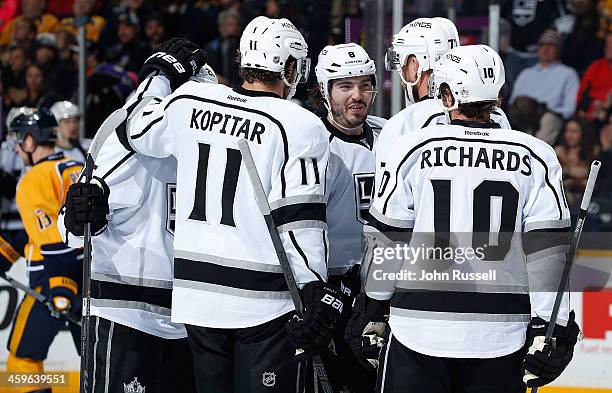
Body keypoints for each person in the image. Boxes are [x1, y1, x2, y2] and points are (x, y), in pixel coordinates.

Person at [114, 17, 343, 392]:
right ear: (288, 67)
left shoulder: (189, 101)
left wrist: (158, 73)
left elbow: (135, 128)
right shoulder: (298, 124)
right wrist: (315, 289)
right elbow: (299, 219)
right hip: (263, 303)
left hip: (196, 300)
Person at [348, 44, 580, 393]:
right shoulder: (536, 155)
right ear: (497, 95)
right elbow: (548, 253)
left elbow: (389, 240)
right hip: (502, 334)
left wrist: (373, 308)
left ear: (447, 96)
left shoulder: (413, 148)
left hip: (418, 329)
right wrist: (552, 327)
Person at [59, 55, 218, 393]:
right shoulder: (126, 140)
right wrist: (80, 218)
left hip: (194, 319)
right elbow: (73, 224)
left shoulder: (221, 151)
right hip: (126, 312)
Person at [309, 42, 385, 392]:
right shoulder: (310, 143)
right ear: (324, 91)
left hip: (384, 291)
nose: (358, 95)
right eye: (345, 86)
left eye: (365, 84)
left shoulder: (392, 136)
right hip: (330, 293)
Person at [377, 18, 511, 198]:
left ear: (415, 63)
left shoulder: (403, 124)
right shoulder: (495, 115)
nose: (401, 75)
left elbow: (388, 208)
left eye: (403, 62)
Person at [0, 108, 82, 392]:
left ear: (32, 141)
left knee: (21, 363)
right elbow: (38, 230)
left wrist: (61, 287)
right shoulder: (73, 165)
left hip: (52, 281)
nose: (19, 145)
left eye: (21, 138)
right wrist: (5, 254)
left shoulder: (33, 179)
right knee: (95, 362)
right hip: (87, 279)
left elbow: (52, 241)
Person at [510, 30, 580, 121]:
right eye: (542, 45)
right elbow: (513, 102)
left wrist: (548, 114)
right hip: (524, 119)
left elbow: (570, 109)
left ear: (559, 50)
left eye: (551, 45)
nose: (545, 49)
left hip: (550, 119)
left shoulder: (568, 74)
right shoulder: (526, 74)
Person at [555, 117, 599, 205]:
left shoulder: (592, 153)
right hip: (558, 199)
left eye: (574, 132)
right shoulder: (558, 151)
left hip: (582, 202)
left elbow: (595, 184)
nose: (569, 135)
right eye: (567, 131)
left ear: (583, 134)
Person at [576, 31, 612, 120]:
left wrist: (605, 107)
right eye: (607, 44)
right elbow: (581, 93)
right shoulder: (596, 66)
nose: (608, 48)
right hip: (590, 115)